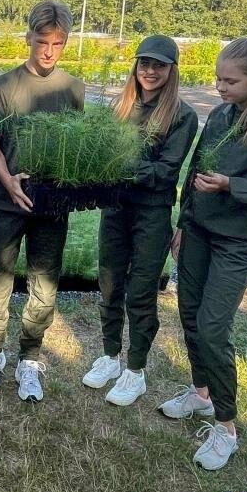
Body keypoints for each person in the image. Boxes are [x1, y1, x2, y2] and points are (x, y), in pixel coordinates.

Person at [160, 30, 247, 470]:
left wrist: (231, 185)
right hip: (199, 231)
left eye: (230, 81)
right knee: (189, 315)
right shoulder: (221, 116)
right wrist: (183, 223)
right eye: (218, 79)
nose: (220, 88)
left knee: (212, 329)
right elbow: (196, 169)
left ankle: (226, 428)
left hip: (237, 242)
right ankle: (200, 393)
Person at [0, 0, 86, 401]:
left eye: (58, 43)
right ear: (28, 38)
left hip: (52, 205)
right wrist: (7, 180)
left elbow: (75, 145)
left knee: (45, 280)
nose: (49, 51)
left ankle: (30, 358)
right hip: (7, 201)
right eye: (42, 41)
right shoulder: (4, 87)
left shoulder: (73, 88)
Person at [81, 35, 198, 406]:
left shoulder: (182, 116)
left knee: (142, 291)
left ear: (171, 70)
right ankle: (110, 355)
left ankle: (135, 370)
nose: (150, 71)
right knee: (109, 283)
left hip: (151, 212)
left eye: (159, 65)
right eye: (145, 63)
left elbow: (166, 171)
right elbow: (99, 152)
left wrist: (120, 165)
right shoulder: (120, 106)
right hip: (115, 208)